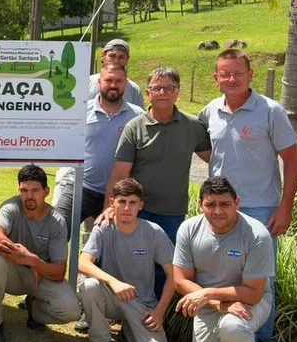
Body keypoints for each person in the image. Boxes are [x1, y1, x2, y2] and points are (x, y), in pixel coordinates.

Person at [198, 48, 297, 342]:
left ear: (250, 75)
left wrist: (285, 208)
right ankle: (225, 339)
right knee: (223, 275)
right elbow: (210, 151)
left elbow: (292, 162)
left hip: (260, 208)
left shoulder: (270, 111)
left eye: (237, 73)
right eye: (225, 74)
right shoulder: (211, 110)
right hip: (219, 208)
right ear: (216, 78)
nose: (231, 79)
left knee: (261, 282)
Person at [173, 177, 274, 342]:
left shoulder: (257, 235)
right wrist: (217, 303)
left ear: (237, 202)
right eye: (210, 204)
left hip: (249, 303)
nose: (217, 211)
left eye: (225, 204)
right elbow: (180, 281)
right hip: (211, 304)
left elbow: (253, 294)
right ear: (200, 205)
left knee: (233, 325)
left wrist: (208, 294)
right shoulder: (189, 229)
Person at [106, 67, 211, 245]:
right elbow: (120, 173)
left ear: (178, 92)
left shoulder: (192, 126)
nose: (163, 92)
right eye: (157, 88)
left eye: (169, 88)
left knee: (167, 265)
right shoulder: (134, 127)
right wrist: (109, 208)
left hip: (173, 212)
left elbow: (215, 160)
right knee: (137, 261)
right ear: (148, 93)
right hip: (138, 209)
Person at [77, 178, 174, 342]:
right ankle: (100, 341)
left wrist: (160, 311)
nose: (127, 208)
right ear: (112, 203)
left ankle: (129, 331)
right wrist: (114, 282)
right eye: (122, 202)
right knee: (89, 286)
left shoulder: (154, 232)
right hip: (111, 298)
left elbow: (174, 274)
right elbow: (83, 263)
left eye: (132, 203)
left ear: (141, 205)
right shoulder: (103, 228)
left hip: (142, 304)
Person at [0, 164, 81, 339]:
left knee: (72, 309)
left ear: (46, 191)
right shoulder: (11, 206)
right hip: (14, 272)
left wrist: (33, 261)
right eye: (24, 190)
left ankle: (35, 310)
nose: (29, 196)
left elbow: (59, 272)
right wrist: (22, 256)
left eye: (35, 190)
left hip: (40, 275)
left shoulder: (56, 221)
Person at [54, 64, 144, 233]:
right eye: (108, 80)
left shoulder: (138, 116)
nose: (113, 85)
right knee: (56, 229)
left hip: (119, 193)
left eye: (119, 81)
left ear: (125, 84)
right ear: (99, 82)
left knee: (110, 241)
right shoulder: (80, 110)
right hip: (80, 185)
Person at [86, 39, 144, 106]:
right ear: (103, 56)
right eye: (112, 56)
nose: (116, 61)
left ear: (127, 60)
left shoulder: (134, 90)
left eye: (121, 57)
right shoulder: (87, 83)